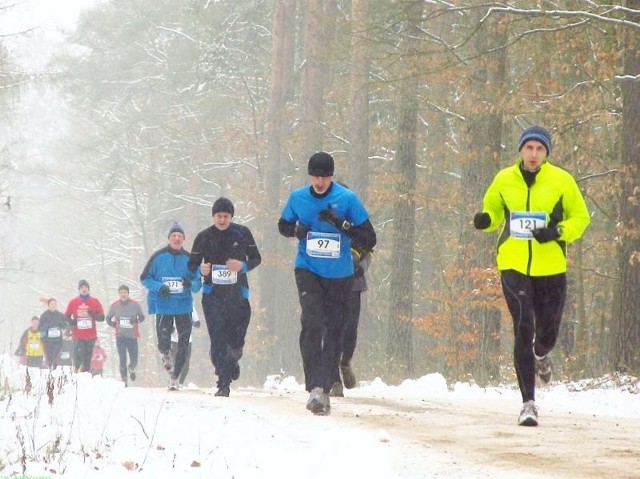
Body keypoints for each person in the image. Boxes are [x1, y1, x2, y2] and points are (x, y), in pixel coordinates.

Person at [473, 125, 590, 427]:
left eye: (540, 149)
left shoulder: (562, 180)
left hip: (551, 267)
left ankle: (542, 354)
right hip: (513, 263)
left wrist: (557, 232)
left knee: (547, 332)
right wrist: (486, 220)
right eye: (529, 148)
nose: (534, 154)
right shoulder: (504, 179)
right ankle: (528, 403)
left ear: (546, 152)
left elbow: (581, 217)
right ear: (521, 150)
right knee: (524, 326)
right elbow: (494, 211)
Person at [278, 152, 377, 415]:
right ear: (309, 175)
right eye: (315, 176)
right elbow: (283, 225)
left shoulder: (347, 199)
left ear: (331, 176)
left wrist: (340, 223)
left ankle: (325, 385)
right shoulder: (298, 197)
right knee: (311, 323)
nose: (320, 181)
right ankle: (316, 388)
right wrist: (296, 230)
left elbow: (370, 238)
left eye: (324, 176)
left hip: (340, 275)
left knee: (334, 329)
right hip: (307, 269)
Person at [188, 197, 261, 397]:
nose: (222, 220)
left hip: (238, 294)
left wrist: (243, 266)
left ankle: (232, 358)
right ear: (213, 216)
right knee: (218, 337)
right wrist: (201, 271)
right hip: (213, 296)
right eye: (219, 216)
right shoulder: (203, 237)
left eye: (226, 216)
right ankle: (223, 382)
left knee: (235, 338)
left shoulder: (242, 233)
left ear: (231, 217)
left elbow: (257, 258)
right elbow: (191, 264)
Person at [140, 222, 200, 390]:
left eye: (180, 236)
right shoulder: (158, 257)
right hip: (164, 305)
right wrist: (160, 287)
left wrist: (190, 283)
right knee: (163, 341)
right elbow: (145, 278)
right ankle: (165, 354)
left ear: (183, 239)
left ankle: (175, 378)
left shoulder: (189, 259)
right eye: (174, 235)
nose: (177, 238)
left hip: (183, 306)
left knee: (183, 343)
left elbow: (197, 283)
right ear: (169, 238)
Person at [329, 246, 372, 397]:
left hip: (353, 283)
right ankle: (334, 381)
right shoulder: (322, 222)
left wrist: (362, 267)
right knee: (331, 331)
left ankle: (345, 361)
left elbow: (368, 251)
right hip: (328, 281)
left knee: (350, 330)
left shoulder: (357, 224)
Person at [106, 285, 146, 386]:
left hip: (132, 336)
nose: (123, 294)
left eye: (125, 292)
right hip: (120, 336)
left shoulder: (135, 305)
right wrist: (112, 324)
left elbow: (142, 317)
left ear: (128, 294)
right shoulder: (115, 305)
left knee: (134, 359)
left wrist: (136, 320)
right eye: (121, 293)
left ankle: (132, 368)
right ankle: (124, 380)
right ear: (119, 294)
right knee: (122, 358)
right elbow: (108, 318)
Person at [64, 280, 105, 373]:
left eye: (86, 287)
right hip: (78, 335)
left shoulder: (95, 301)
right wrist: (72, 322)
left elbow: (102, 317)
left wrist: (93, 315)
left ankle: (85, 375)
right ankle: (76, 370)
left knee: (87, 357)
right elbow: (66, 316)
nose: (84, 289)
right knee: (78, 355)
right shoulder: (73, 302)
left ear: (88, 289)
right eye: (82, 287)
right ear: (79, 289)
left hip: (91, 335)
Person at [170, 309, 201, 388]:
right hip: (174, 339)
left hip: (187, 339)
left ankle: (181, 383)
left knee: (186, 363)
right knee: (174, 361)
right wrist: (170, 328)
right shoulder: (171, 305)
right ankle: (174, 381)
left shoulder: (191, 307)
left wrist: (191, 322)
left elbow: (198, 323)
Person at [39, 298, 68, 369]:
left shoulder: (60, 315)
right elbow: (40, 328)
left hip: (57, 340)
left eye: (55, 304)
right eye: (52, 304)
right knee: (49, 356)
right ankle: (50, 369)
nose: (53, 306)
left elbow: (65, 326)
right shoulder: (44, 315)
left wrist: (63, 327)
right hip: (47, 341)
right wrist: (45, 328)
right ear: (48, 305)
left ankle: (54, 368)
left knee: (55, 354)